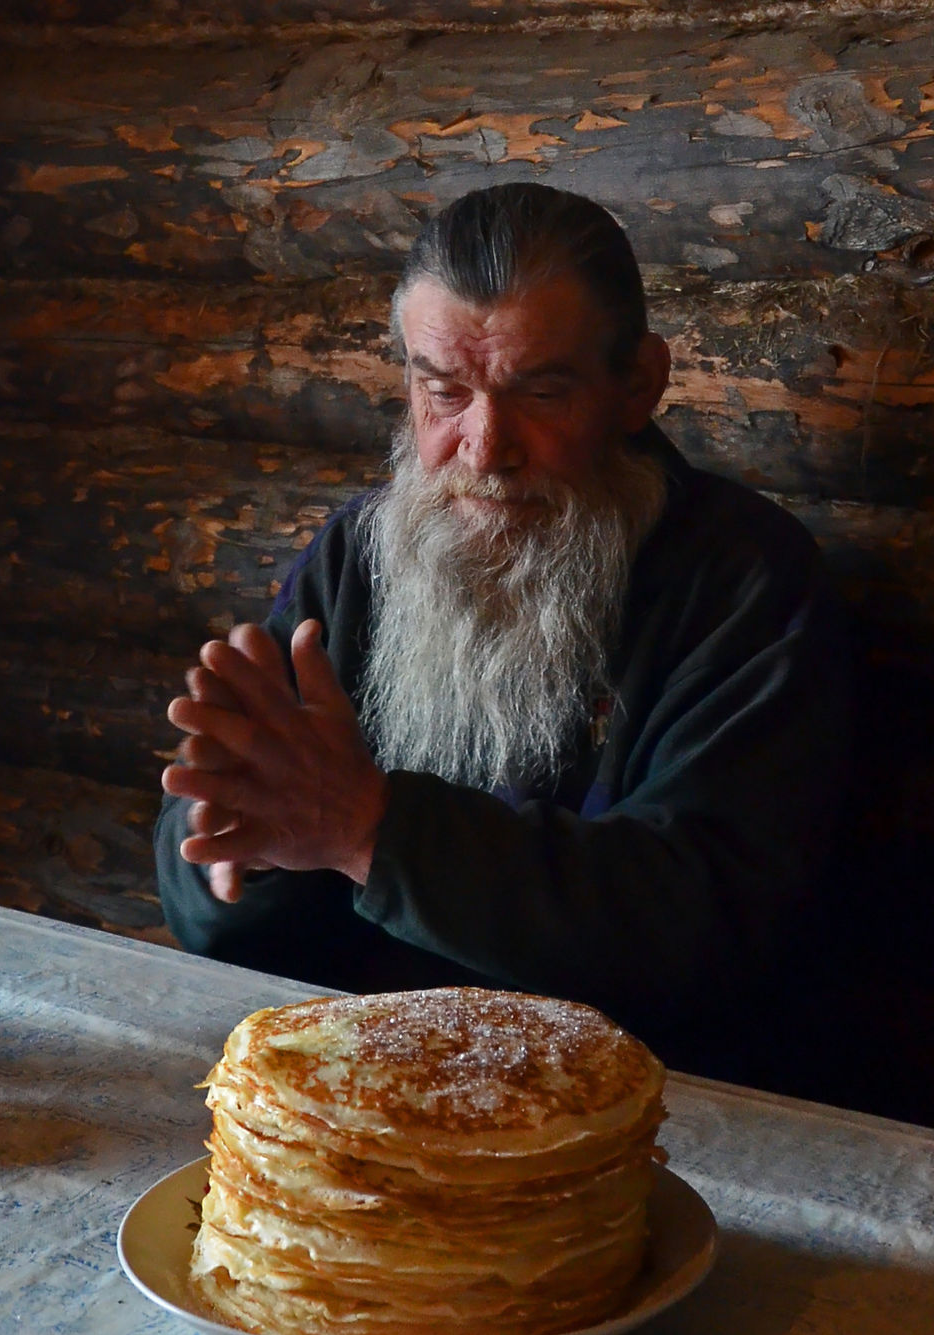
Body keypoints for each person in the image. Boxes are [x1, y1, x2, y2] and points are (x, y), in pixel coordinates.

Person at [153, 182, 852, 1077]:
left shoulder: (747, 580)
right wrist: (245, 849)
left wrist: (370, 829)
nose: (485, 449)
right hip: (359, 1076)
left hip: (630, 1107)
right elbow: (205, 893)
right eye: (444, 393)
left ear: (637, 384)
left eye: (542, 394)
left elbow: (707, 921)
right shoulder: (361, 555)